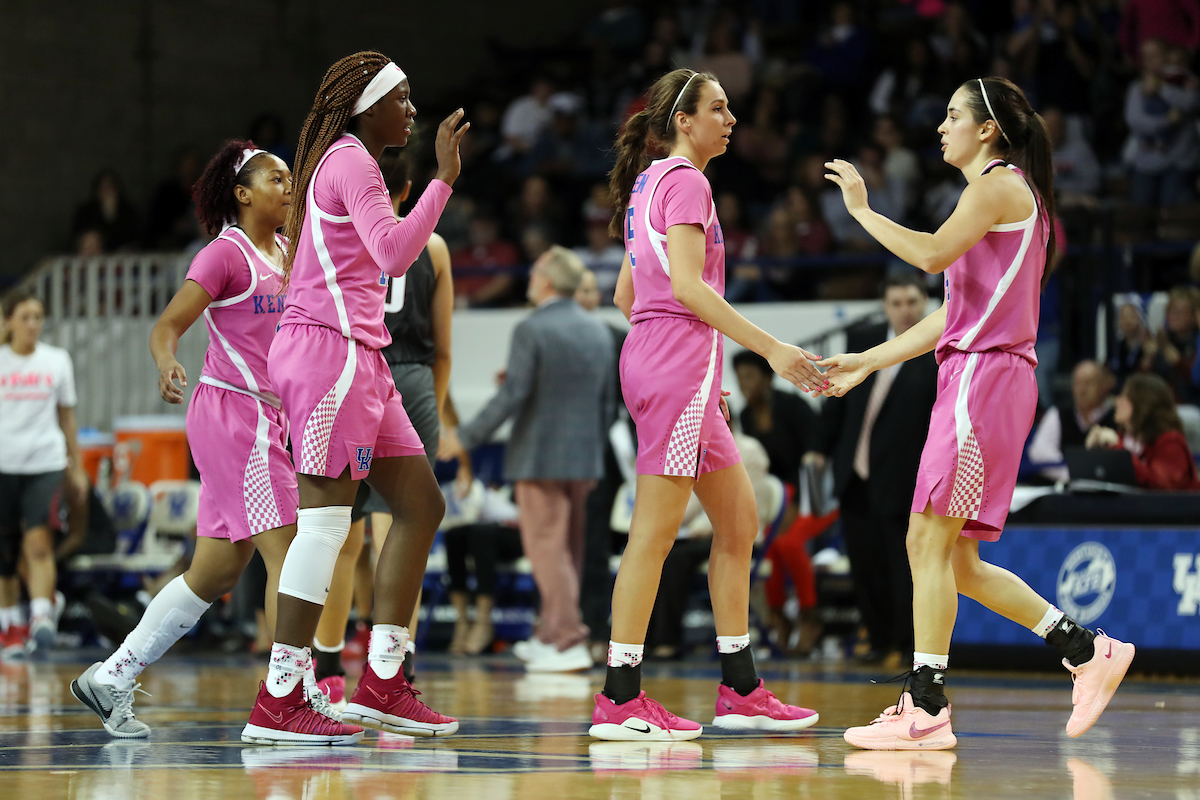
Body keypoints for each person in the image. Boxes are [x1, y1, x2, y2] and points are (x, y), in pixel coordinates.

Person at [822, 76, 1135, 751]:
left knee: (923, 542)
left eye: (953, 115)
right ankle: (1085, 649)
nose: (941, 126)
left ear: (987, 129)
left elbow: (930, 254)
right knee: (955, 562)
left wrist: (861, 211)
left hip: (982, 383)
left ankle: (926, 704)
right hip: (982, 378)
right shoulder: (1010, 196)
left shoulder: (996, 186)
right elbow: (950, 315)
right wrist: (870, 358)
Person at [592, 68, 823, 741]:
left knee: (739, 520)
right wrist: (770, 349)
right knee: (655, 533)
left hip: (665, 361)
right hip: (674, 363)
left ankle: (741, 687)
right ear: (683, 121)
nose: (731, 120)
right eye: (718, 109)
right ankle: (620, 696)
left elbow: (627, 298)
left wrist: (697, 372)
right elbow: (690, 289)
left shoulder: (649, 182)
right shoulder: (687, 181)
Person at [249, 51, 467, 745]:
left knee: (422, 504)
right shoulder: (350, 160)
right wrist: (442, 183)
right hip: (328, 356)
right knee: (325, 526)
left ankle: (381, 682)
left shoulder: (352, 162)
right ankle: (281, 694)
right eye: (401, 98)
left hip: (361, 358)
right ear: (366, 107)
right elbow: (395, 253)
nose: (411, 107)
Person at [67, 140, 316, 738]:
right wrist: (165, 361)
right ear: (242, 193)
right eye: (277, 179)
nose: (289, 188)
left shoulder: (288, 251)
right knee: (289, 556)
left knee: (214, 572)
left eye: (291, 179)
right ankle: (291, 700)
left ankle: (112, 675)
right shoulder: (223, 255)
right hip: (235, 415)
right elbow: (167, 325)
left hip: (266, 418)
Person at [310, 146, 455, 706]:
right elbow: (443, 349)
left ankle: (327, 664)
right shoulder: (432, 245)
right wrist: (434, 411)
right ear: (408, 185)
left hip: (352, 367)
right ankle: (396, 661)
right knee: (400, 528)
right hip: (410, 381)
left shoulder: (342, 229)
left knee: (341, 533)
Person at [440, 246, 614, 673]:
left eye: (536, 273)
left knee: (547, 551)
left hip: (539, 456)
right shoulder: (600, 331)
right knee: (568, 551)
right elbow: (608, 404)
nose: (530, 279)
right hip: (585, 455)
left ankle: (569, 638)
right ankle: (551, 635)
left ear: (549, 282)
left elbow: (512, 396)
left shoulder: (531, 328)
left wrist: (464, 437)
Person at [0, 289, 86, 654]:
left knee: (38, 542)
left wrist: (77, 466)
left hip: (45, 462)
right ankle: (10, 626)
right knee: (4, 552)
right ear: (9, 322)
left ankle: (40, 617)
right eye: (25, 317)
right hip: (4, 464)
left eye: (38, 317)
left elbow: (67, 416)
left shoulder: (56, 361)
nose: (32, 324)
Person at [1086, 372, 1200, 490]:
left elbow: (1160, 485)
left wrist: (1117, 450)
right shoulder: (1122, 439)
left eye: (1124, 396)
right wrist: (1095, 451)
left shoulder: (1170, 442)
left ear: (1141, 403)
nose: (1117, 400)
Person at [1027, 360, 1119, 482]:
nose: (1082, 390)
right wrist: (1073, 472)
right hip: (1065, 491)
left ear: (1103, 385)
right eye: (1077, 383)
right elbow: (1039, 453)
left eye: (1088, 383)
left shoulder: (1117, 417)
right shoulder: (1057, 414)